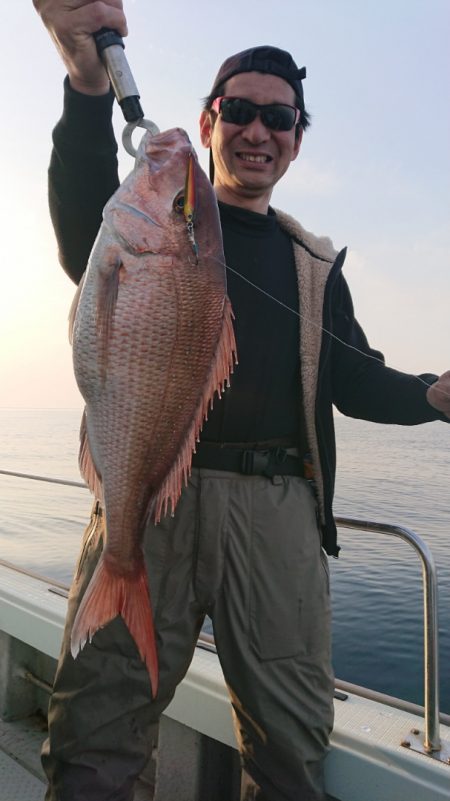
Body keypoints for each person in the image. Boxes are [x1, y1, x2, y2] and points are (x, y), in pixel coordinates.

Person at [33, 2, 450, 800]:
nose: (260, 131)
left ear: (297, 138)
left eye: (280, 117)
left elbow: (353, 376)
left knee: (291, 747)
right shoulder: (145, 221)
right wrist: (87, 86)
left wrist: (432, 394)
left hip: (279, 513)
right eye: (242, 112)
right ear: (209, 121)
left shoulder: (315, 266)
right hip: (152, 499)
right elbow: (79, 211)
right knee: (97, 736)